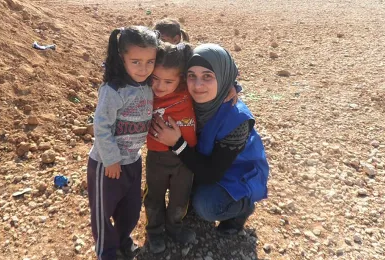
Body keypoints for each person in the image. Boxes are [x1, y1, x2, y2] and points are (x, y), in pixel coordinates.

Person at [150, 44, 269, 236]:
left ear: (222, 77)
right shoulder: (189, 97)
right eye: (192, 76)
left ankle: (242, 207)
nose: (198, 86)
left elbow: (212, 173)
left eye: (208, 76)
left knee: (205, 205)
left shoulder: (236, 119)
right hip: (203, 162)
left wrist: (177, 144)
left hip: (235, 173)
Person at [86, 26, 159, 260]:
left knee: (130, 209)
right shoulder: (113, 89)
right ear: (122, 58)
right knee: (103, 211)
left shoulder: (149, 85)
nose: (144, 68)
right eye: (136, 61)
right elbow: (102, 126)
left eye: (150, 62)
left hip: (133, 161)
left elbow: (179, 71)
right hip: (107, 164)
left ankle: (123, 240)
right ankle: (106, 252)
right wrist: (111, 159)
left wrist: (232, 86)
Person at [143, 42, 197, 254]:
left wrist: (232, 87)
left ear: (181, 79)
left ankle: (175, 228)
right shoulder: (145, 91)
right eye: (155, 79)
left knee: (179, 199)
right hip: (156, 157)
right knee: (154, 198)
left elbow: (214, 77)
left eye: (168, 81)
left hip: (185, 160)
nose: (159, 86)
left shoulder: (188, 90)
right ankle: (155, 231)